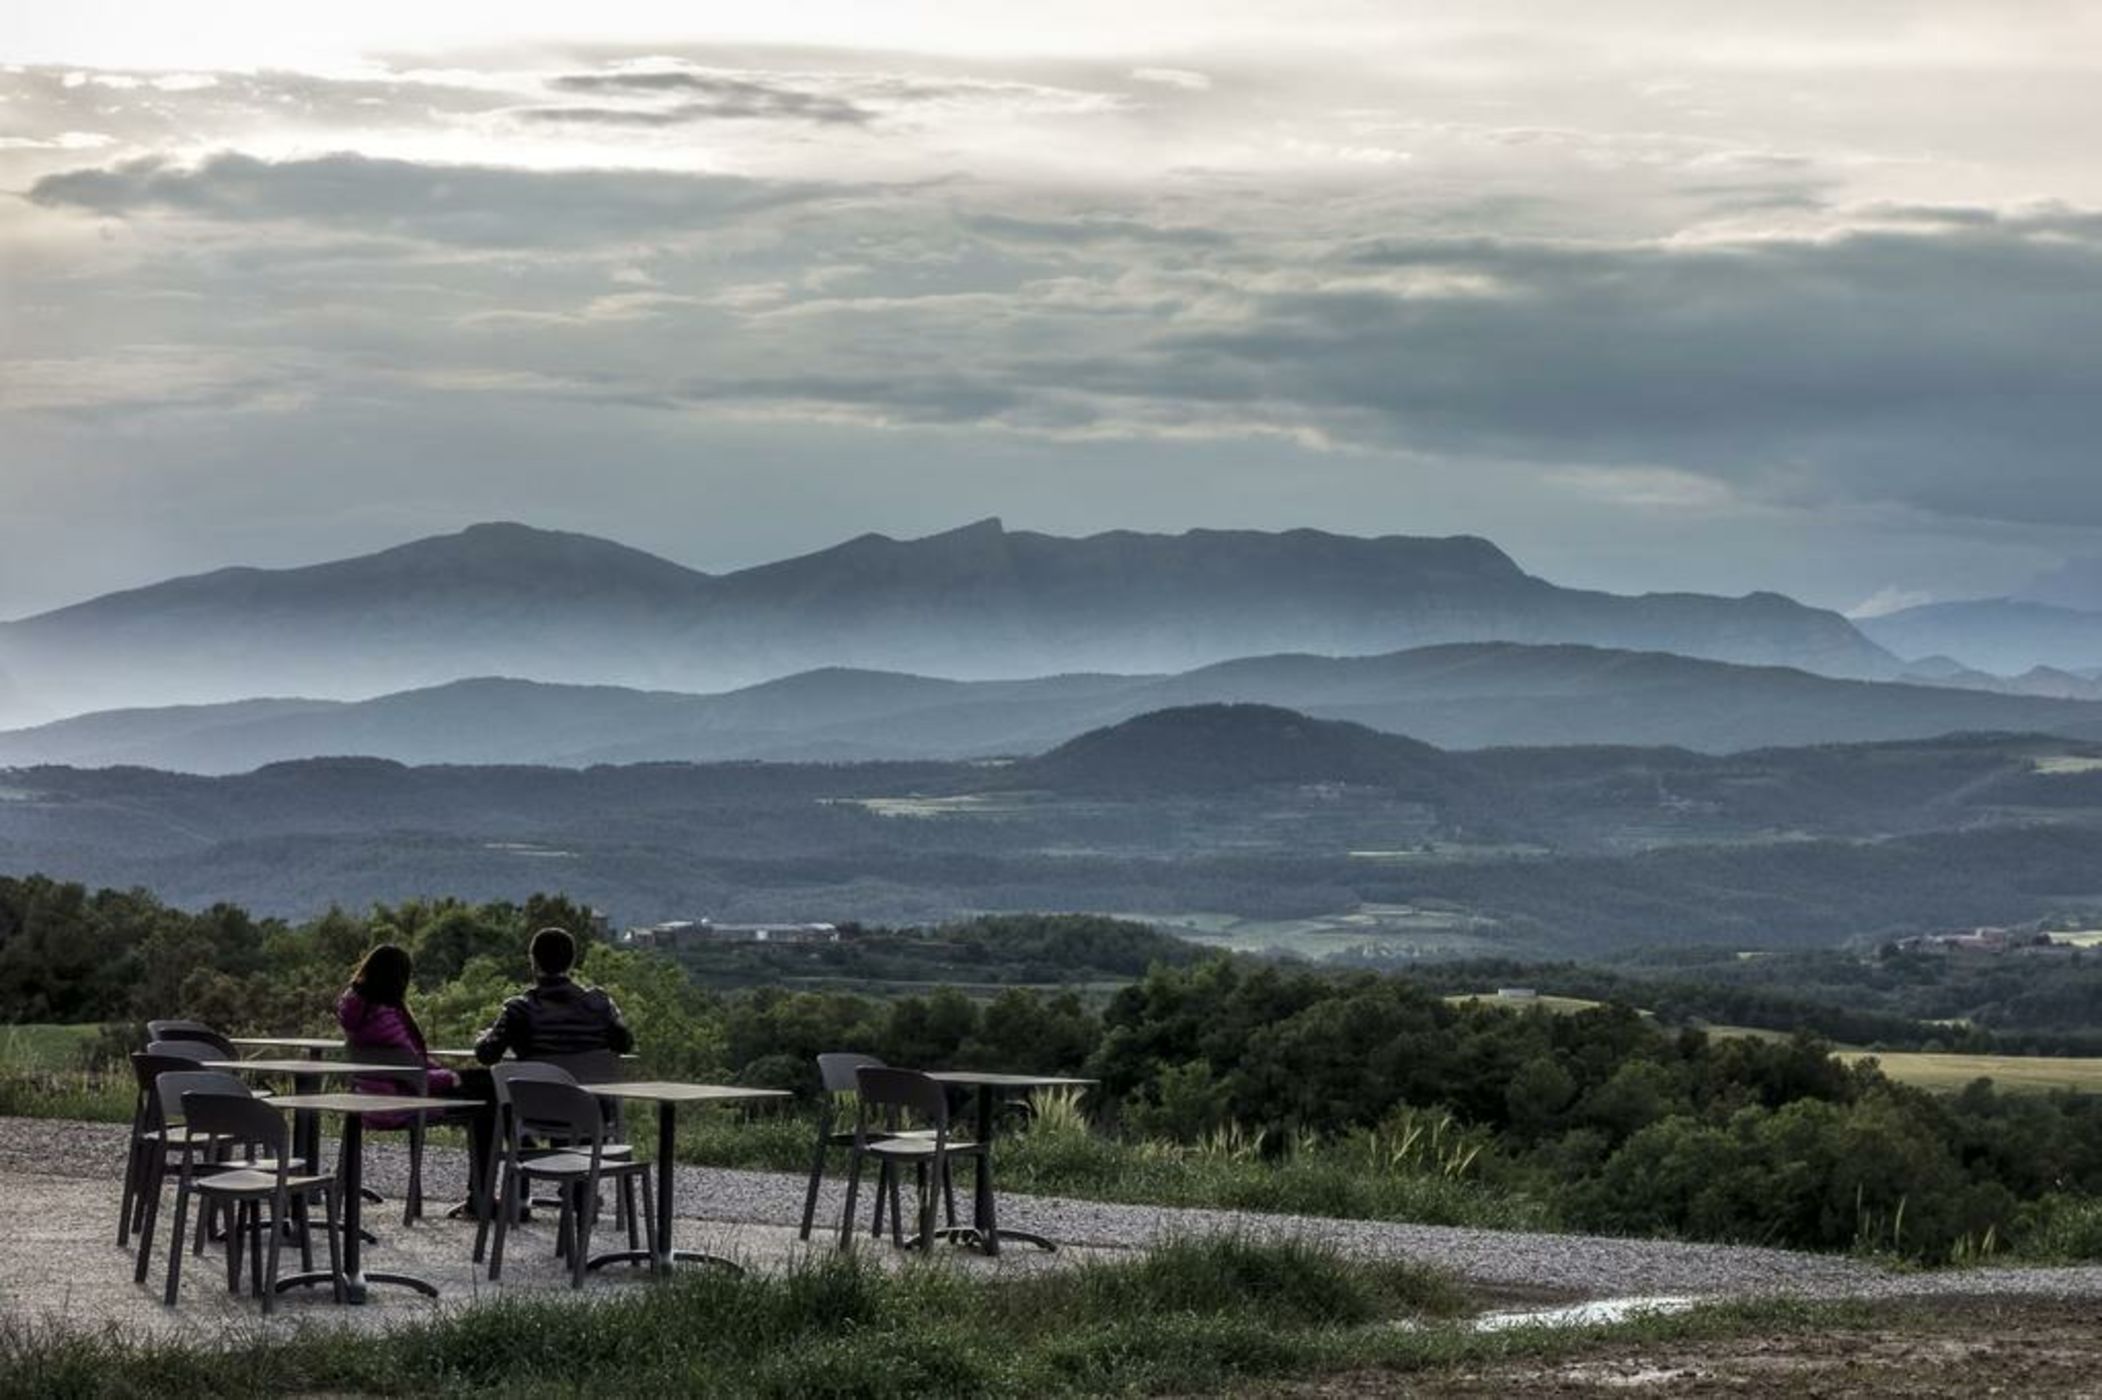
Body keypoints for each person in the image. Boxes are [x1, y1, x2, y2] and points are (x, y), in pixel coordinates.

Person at [473, 926, 635, 1064]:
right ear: (571, 962)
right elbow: (625, 1044)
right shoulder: (601, 1003)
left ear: (533, 962)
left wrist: (483, 1038)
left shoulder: (518, 1010)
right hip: (595, 1100)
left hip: (539, 1099)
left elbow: (488, 1056)